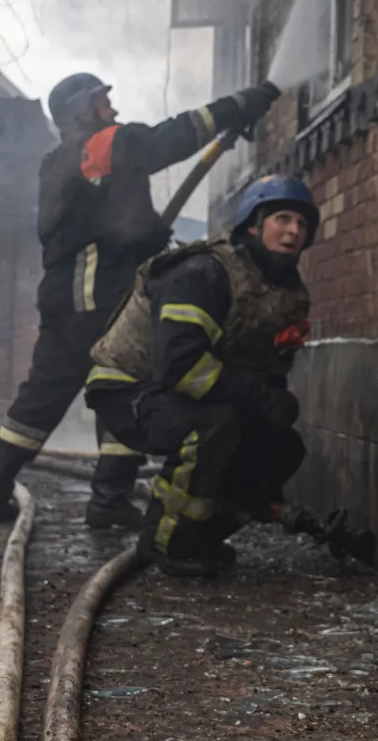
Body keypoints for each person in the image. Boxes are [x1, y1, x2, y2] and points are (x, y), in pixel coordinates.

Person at [0, 71, 280, 525]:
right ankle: (106, 500)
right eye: (103, 103)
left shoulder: (64, 160)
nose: (113, 111)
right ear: (82, 111)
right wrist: (240, 103)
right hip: (95, 300)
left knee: (68, 395)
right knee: (120, 385)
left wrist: (146, 234)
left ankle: (7, 493)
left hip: (75, 299)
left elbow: (109, 217)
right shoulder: (100, 145)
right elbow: (172, 137)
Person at [84, 175, 318, 576]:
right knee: (214, 426)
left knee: (282, 447)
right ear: (253, 223)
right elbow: (179, 366)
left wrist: (270, 409)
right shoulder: (203, 274)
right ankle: (165, 542)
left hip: (190, 392)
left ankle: (200, 537)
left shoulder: (282, 291)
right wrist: (259, 398)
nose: (294, 230)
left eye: (302, 223)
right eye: (282, 218)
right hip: (128, 388)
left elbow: (260, 366)